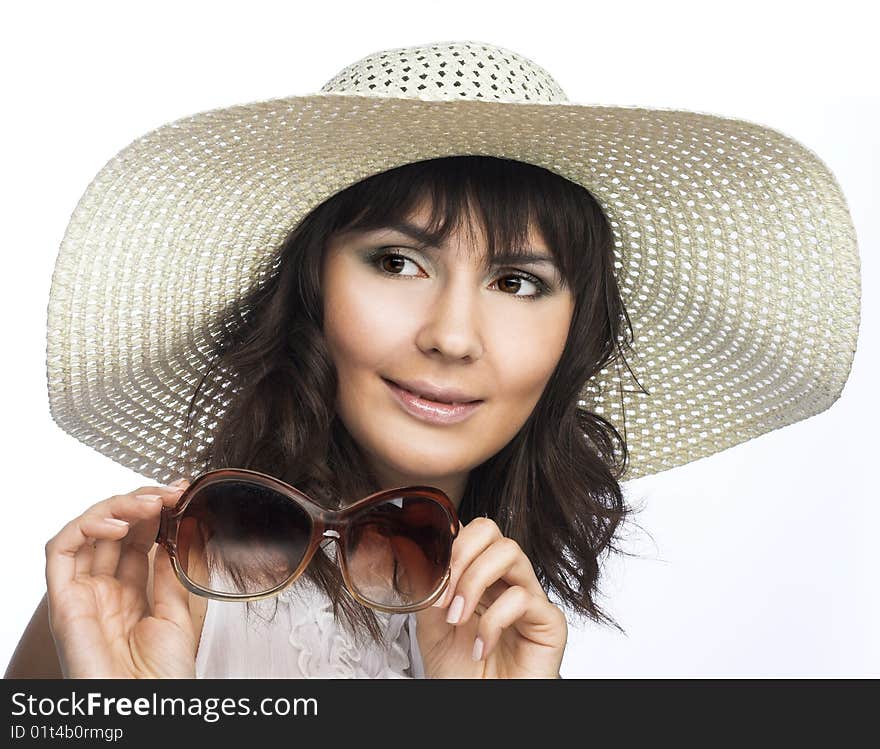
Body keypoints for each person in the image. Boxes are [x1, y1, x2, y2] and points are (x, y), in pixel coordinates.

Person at [5, 40, 860, 679]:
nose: (453, 335)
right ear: (311, 291)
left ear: (576, 336)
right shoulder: (142, 589)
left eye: (519, 282)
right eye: (396, 262)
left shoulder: (511, 638)